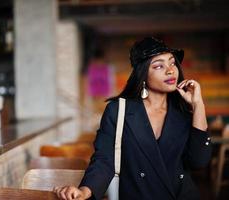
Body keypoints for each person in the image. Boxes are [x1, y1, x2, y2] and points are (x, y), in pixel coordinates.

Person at [53, 37, 212, 200]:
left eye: (172, 63)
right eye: (159, 66)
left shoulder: (183, 111)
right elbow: (104, 159)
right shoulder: (118, 110)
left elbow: (199, 161)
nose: (170, 70)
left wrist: (198, 105)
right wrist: (85, 190)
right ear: (142, 74)